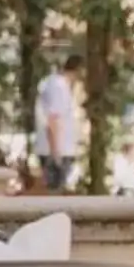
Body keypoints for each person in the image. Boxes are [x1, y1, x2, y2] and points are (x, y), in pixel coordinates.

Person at [35, 51, 84, 194]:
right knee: (54, 193)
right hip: (57, 150)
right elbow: (53, 118)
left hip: (60, 149)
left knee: (58, 191)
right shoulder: (58, 86)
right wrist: (55, 152)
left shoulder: (60, 86)